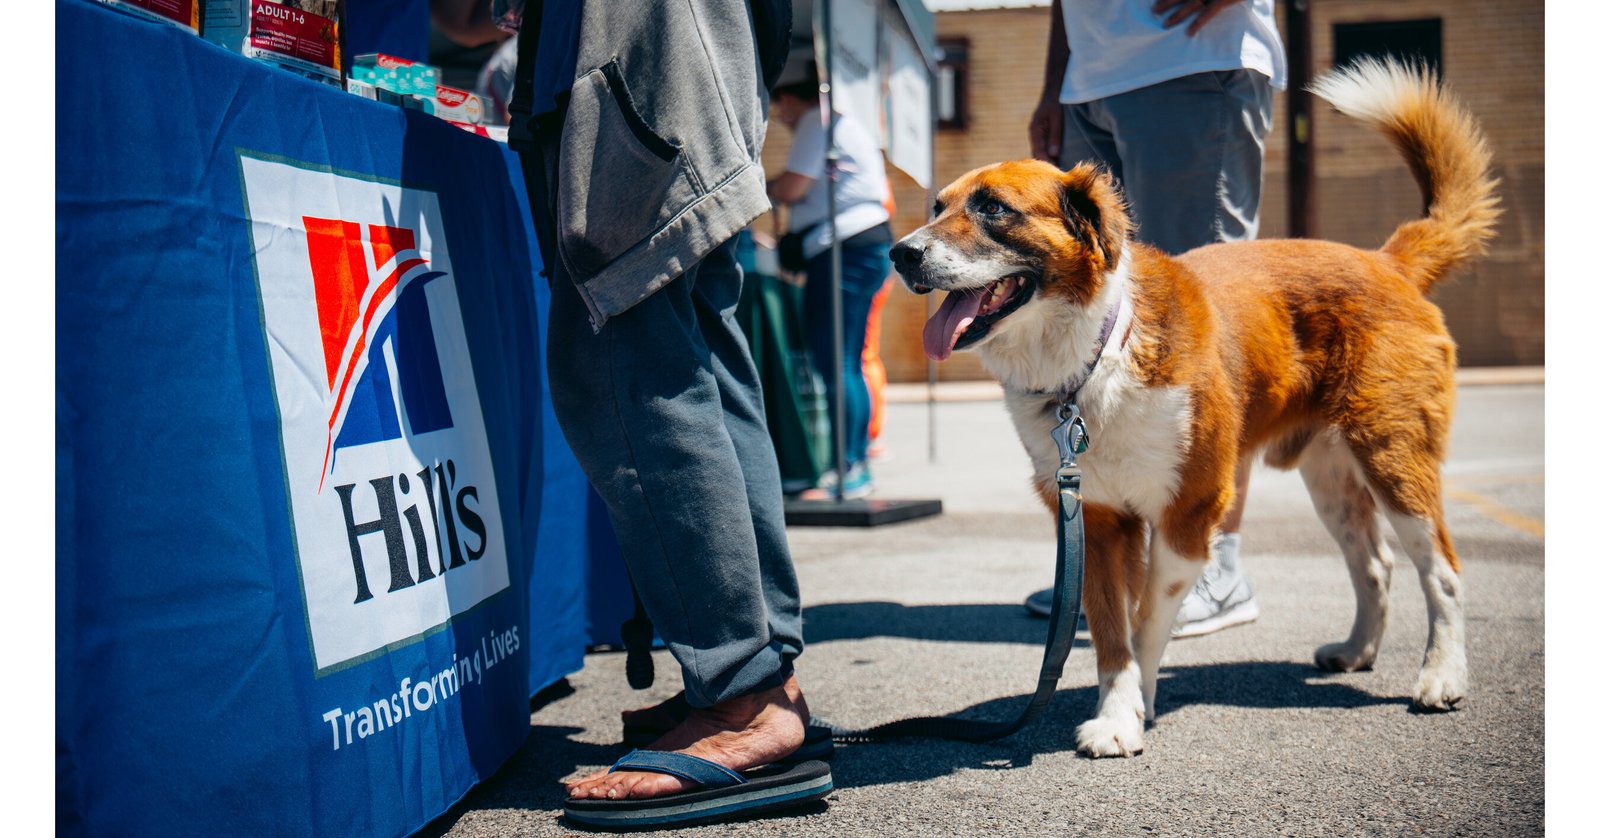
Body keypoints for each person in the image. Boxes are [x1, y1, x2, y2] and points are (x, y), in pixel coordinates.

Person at [438, 0, 832, 829]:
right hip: (695, 57)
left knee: (621, 356)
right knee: (699, 362)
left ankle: (742, 702)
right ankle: (761, 675)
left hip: (636, 51)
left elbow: (468, 14)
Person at [1020, 0, 1284, 637]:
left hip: (1192, 62)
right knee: (1105, 316)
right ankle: (1120, 569)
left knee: (1205, 322)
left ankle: (1214, 567)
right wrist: (1057, 81)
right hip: (1091, 80)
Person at [767, 62, 895, 500]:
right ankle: (853, 463)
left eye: (776, 106)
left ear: (788, 98)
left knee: (836, 362)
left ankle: (848, 465)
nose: (777, 116)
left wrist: (766, 186)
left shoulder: (813, 120)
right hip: (862, 246)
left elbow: (792, 187)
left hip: (842, 249)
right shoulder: (842, 120)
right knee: (849, 360)